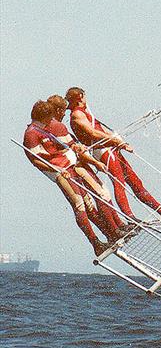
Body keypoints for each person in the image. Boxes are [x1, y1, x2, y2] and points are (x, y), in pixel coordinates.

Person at [23, 101, 131, 256]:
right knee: (79, 205)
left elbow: (64, 145)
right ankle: (96, 243)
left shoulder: (42, 129)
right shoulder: (31, 134)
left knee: (88, 202)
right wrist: (57, 169)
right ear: (43, 117)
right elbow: (36, 160)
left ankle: (109, 235)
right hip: (61, 172)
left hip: (69, 165)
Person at [65, 87, 161, 219]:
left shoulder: (85, 112)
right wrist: (114, 141)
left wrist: (120, 142)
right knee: (119, 182)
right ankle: (129, 216)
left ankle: (160, 209)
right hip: (103, 151)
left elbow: (100, 129)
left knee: (134, 181)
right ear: (81, 96)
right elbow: (92, 132)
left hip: (111, 148)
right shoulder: (77, 114)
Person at [47, 94, 129, 236]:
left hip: (73, 166)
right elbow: (75, 148)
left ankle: (117, 227)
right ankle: (115, 229)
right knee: (101, 194)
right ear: (59, 110)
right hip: (76, 166)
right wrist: (95, 162)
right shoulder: (57, 126)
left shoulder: (49, 127)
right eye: (64, 111)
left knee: (95, 198)